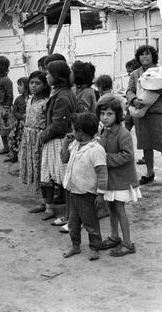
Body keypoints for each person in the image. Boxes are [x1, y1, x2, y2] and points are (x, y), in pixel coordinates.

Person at [127, 45, 162, 189]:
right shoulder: (135, 74)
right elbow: (129, 90)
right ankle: (149, 173)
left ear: (153, 56)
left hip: (158, 113)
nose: (144, 57)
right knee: (145, 145)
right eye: (141, 55)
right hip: (140, 114)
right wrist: (134, 100)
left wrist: (152, 84)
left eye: (147, 54)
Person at [96, 95, 141, 256]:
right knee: (111, 207)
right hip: (110, 179)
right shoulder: (104, 131)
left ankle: (128, 243)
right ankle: (115, 237)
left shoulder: (123, 133)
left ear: (117, 115)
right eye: (102, 114)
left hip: (121, 178)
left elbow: (127, 155)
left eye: (109, 114)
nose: (105, 117)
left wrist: (105, 158)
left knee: (120, 209)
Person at [61, 112, 107, 261]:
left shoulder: (96, 150)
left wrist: (100, 195)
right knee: (73, 223)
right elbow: (64, 159)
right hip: (73, 191)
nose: (72, 132)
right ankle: (75, 245)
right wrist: (65, 143)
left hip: (87, 194)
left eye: (74, 130)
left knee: (91, 223)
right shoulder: (75, 144)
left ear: (81, 132)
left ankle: (95, 247)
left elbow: (102, 173)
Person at [39, 61, 77, 220]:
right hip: (55, 139)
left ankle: (69, 216)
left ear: (57, 77)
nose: (46, 76)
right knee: (53, 176)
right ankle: (57, 210)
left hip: (59, 141)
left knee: (65, 179)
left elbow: (59, 125)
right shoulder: (61, 93)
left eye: (49, 74)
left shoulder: (63, 96)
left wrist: (43, 136)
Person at [18, 71, 51, 212]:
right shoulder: (30, 100)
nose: (33, 86)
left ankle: (49, 206)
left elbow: (48, 123)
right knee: (35, 170)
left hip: (39, 139)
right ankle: (42, 202)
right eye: (31, 82)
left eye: (37, 83)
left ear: (44, 85)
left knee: (43, 171)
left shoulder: (46, 102)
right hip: (28, 137)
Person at [124, 58, 145, 165]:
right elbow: (129, 91)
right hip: (130, 108)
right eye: (127, 72)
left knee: (140, 133)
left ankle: (146, 156)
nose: (128, 74)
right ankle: (123, 150)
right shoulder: (132, 79)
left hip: (137, 109)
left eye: (129, 71)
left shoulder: (142, 80)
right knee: (125, 129)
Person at [6, 77, 30, 163]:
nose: (18, 87)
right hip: (19, 125)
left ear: (26, 87)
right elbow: (14, 112)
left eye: (20, 85)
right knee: (14, 139)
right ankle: (14, 156)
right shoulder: (18, 99)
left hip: (28, 125)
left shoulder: (32, 99)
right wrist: (21, 116)